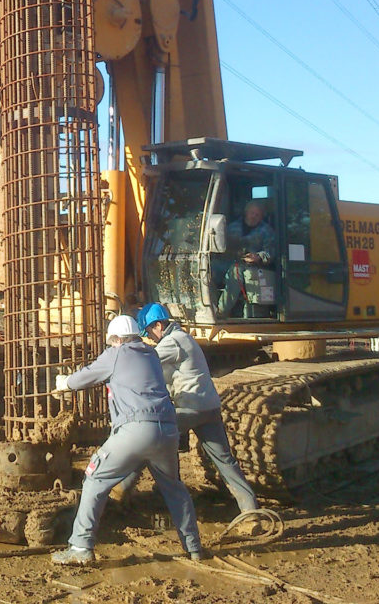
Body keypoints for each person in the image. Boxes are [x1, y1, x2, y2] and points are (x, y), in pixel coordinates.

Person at [51, 313, 204, 567]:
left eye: (111, 341)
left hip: (136, 430)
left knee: (95, 478)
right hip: (167, 431)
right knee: (174, 489)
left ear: (116, 339)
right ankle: (194, 547)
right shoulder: (151, 354)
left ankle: (80, 546)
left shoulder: (117, 353)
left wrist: (65, 382)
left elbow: (85, 376)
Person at [119, 302, 258, 517]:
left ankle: (120, 489)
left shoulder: (172, 342)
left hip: (191, 409)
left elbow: (144, 362)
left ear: (157, 325)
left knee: (149, 437)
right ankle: (250, 509)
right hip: (210, 408)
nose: (149, 336)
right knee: (224, 460)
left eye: (148, 331)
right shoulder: (184, 338)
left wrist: (118, 355)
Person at [226, 201, 275, 266]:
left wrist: (258, 257)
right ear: (246, 212)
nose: (253, 216)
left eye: (257, 215)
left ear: (261, 217)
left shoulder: (267, 231)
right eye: (252, 213)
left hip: (256, 269)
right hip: (231, 265)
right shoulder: (232, 227)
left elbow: (271, 252)